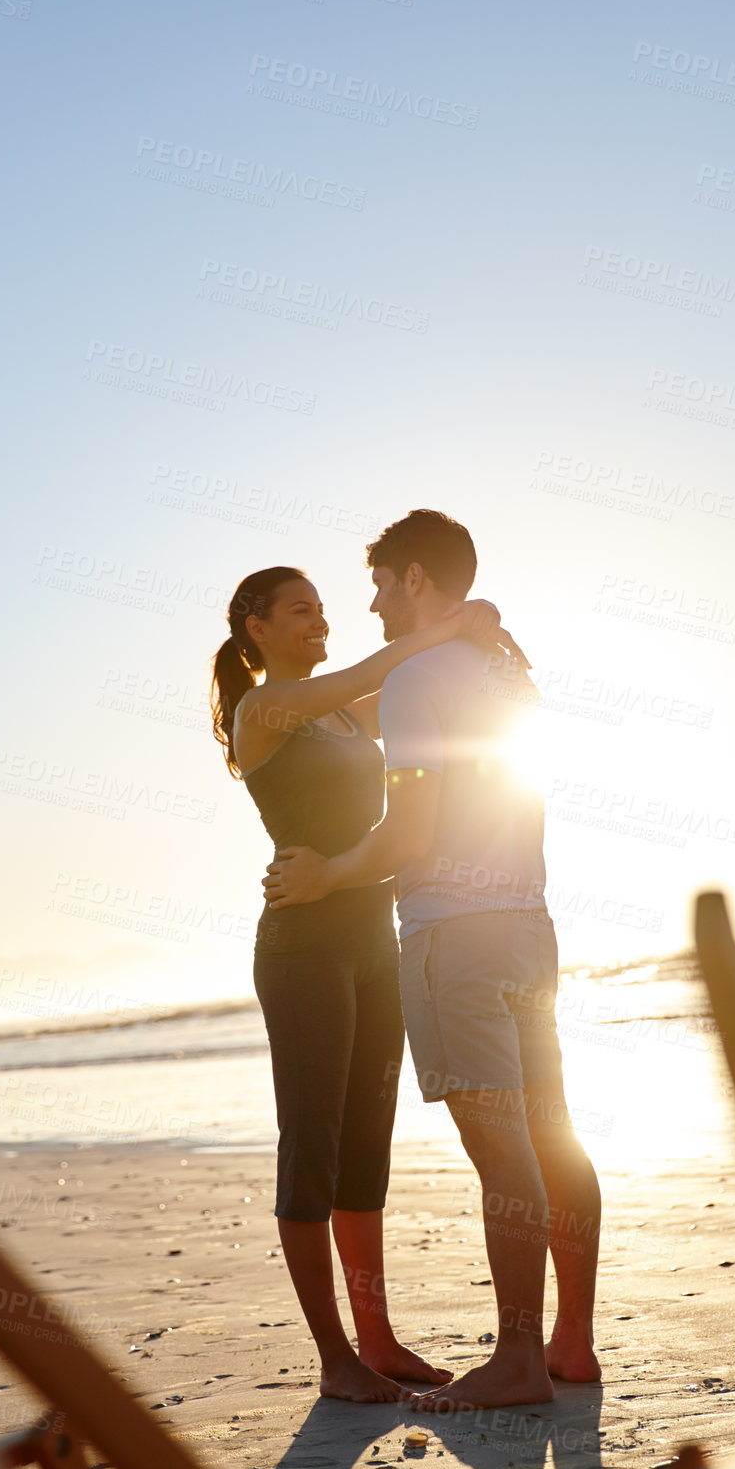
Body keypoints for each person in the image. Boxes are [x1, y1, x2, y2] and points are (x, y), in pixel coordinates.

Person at [264, 513, 602, 1410]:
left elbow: (408, 829)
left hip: (454, 936)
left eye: (378, 585)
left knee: (504, 1150)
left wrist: (332, 869)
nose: (369, 605)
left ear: (414, 578)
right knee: (552, 1129)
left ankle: (520, 1358)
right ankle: (573, 1343)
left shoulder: (418, 677)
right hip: (529, 924)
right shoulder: (506, 670)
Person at [210, 564, 524, 1403]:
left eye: (323, 610)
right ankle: (333, 1356)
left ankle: (377, 1339)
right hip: (301, 948)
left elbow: (427, 697)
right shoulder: (264, 711)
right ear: (256, 630)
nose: (321, 622)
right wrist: (449, 626)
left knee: (363, 1153)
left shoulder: (347, 715)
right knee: (310, 1150)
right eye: (299, 612)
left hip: (371, 943)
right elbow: (377, 671)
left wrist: (476, 635)